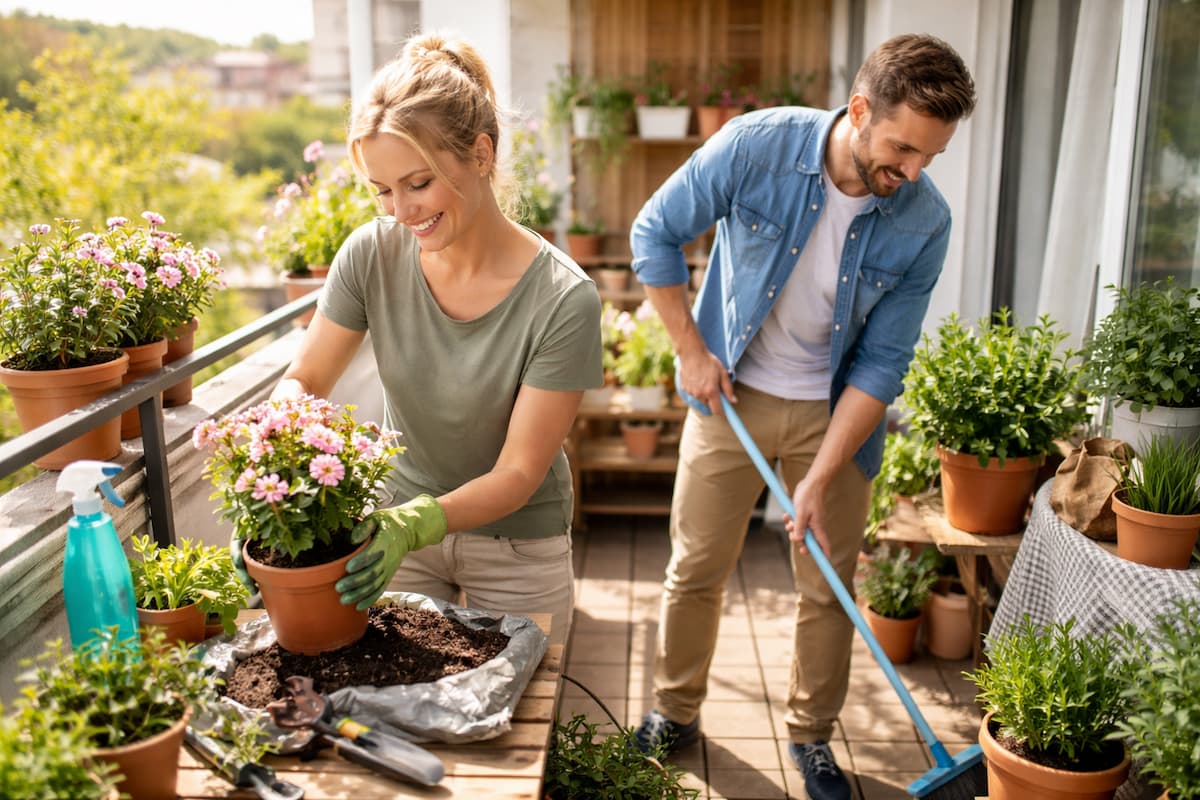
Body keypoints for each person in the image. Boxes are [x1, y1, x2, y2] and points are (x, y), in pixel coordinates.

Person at [628, 34, 976, 800]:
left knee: (827, 587)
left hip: (835, 413)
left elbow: (884, 363)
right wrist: (689, 349)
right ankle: (674, 711)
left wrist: (822, 474)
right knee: (695, 570)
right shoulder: (759, 146)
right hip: (730, 397)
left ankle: (812, 736)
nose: (912, 172)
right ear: (859, 110)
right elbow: (653, 231)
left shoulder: (925, 220)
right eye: (903, 148)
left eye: (930, 157)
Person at [231, 33, 603, 646]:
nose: (401, 211)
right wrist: (271, 466)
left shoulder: (563, 298)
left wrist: (418, 521)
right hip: (391, 535)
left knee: (526, 726)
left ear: (481, 155)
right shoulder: (372, 254)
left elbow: (518, 471)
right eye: (382, 190)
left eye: (418, 183)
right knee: (395, 704)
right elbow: (307, 377)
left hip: (516, 545)